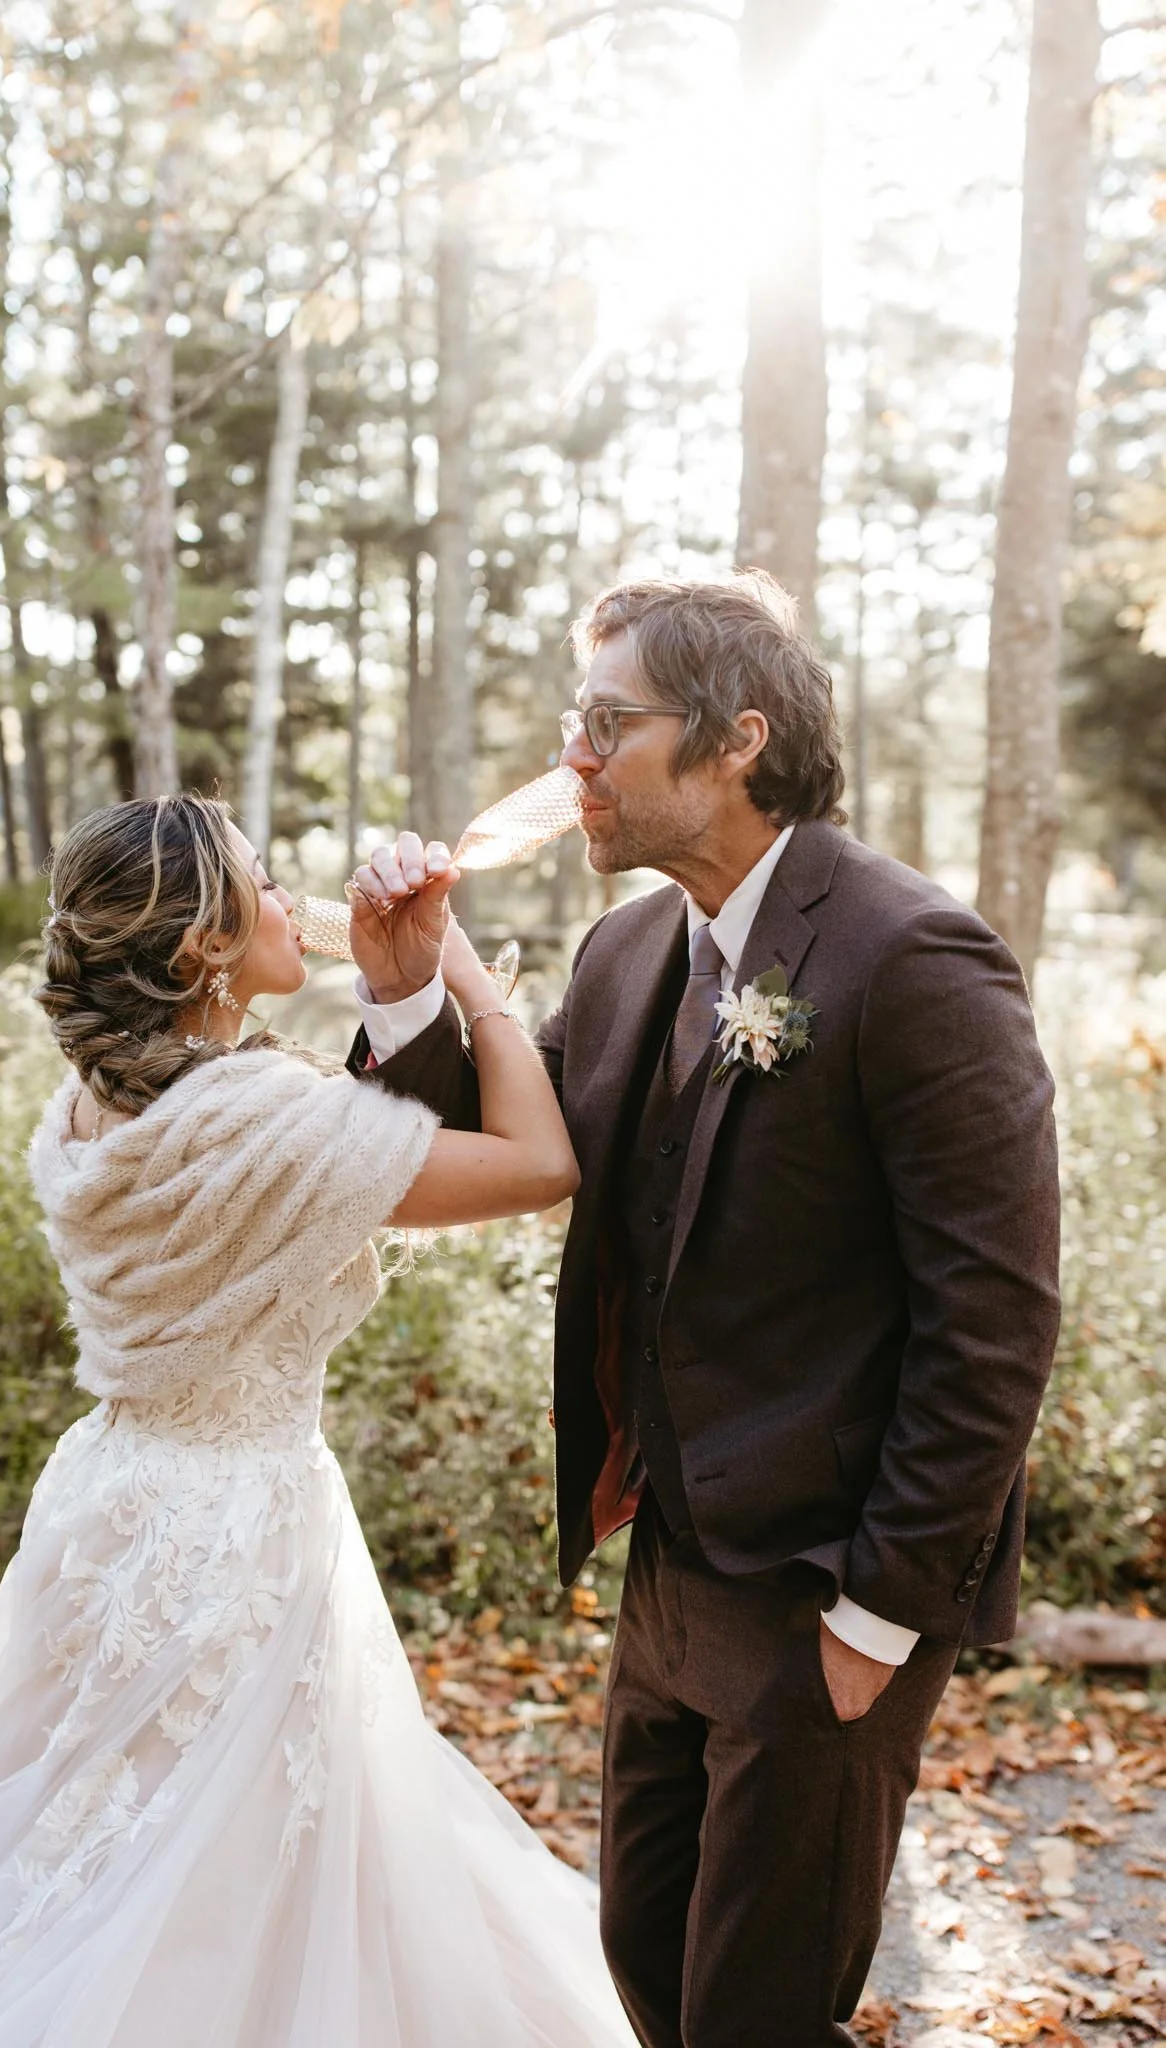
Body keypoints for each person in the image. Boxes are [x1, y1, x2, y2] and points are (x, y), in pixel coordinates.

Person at [349, 573, 1062, 2048]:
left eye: (607, 725)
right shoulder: (624, 957)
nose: (574, 764)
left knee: (755, 2005)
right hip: (668, 1565)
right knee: (643, 1952)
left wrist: (879, 1611)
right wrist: (410, 996)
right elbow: (506, 1147)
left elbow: (990, 1320)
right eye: (572, 723)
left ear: (736, 740)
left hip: (825, 1582)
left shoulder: (912, 958)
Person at [0, 794, 638, 2048]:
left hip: (114, 1505)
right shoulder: (255, 1118)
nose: (289, 889)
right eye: (258, 874)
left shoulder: (99, 1103)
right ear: (201, 947)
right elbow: (535, 1163)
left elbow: (312, 1157)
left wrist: (386, 990)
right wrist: (466, 977)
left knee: (109, 1848)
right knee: (220, 1866)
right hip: (233, 1541)